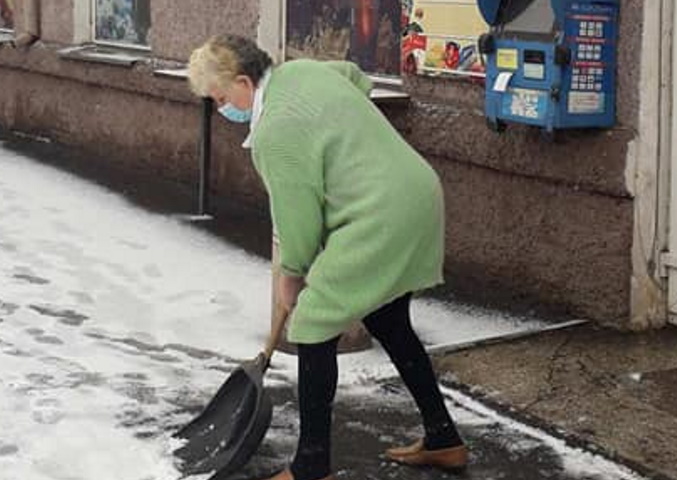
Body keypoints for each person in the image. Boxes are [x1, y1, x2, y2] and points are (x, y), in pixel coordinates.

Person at [187, 34, 468, 480]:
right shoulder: (303, 72)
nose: (222, 110)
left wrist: (291, 276)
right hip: (416, 193)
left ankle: (311, 466)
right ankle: (444, 438)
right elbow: (356, 78)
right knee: (388, 320)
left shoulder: (275, 132)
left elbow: (298, 220)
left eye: (221, 98)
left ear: (243, 81)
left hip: (379, 216)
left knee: (314, 323)